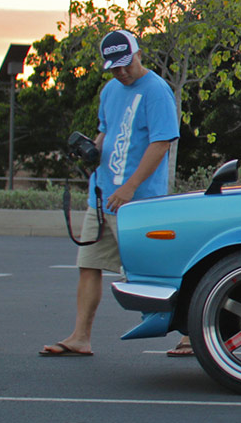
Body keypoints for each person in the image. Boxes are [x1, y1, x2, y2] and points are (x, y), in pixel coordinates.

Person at [40, 29, 190, 357]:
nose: (121, 72)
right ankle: (80, 337)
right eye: (114, 67)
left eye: (125, 65)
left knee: (151, 269)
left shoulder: (156, 91)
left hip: (137, 202)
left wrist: (130, 186)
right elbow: (106, 131)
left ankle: (190, 334)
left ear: (138, 54)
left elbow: (162, 141)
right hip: (103, 195)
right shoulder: (110, 90)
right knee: (88, 264)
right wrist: (91, 152)